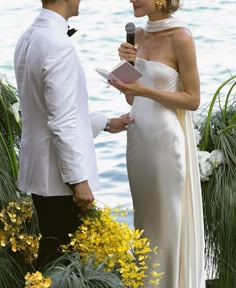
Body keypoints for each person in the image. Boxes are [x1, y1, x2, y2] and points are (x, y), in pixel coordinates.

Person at [14, 0, 133, 269]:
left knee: (53, 252)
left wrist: (106, 123)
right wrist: (78, 180)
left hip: (38, 171)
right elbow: (62, 119)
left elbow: (46, 110)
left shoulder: (28, 36)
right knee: (62, 264)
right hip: (59, 178)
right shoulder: (58, 45)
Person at [109, 0, 206, 287]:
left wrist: (143, 89)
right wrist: (125, 68)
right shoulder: (137, 36)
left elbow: (193, 99)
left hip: (165, 143)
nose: (132, 0)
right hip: (138, 140)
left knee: (166, 224)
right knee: (146, 223)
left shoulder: (181, 38)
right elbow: (131, 98)